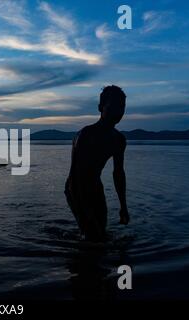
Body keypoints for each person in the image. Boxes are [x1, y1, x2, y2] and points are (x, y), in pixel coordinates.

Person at [65, 85, 129, 242]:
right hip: (75, 187)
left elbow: (118, 173)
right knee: (92, 235)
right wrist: (85, 209)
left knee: (101, 233)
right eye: (113, 107)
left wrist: (124, 206)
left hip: (95, 187)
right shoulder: (86, 135)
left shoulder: (118, 140)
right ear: (101, 107)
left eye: (121, 108)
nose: (118, 112)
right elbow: (76, 176)